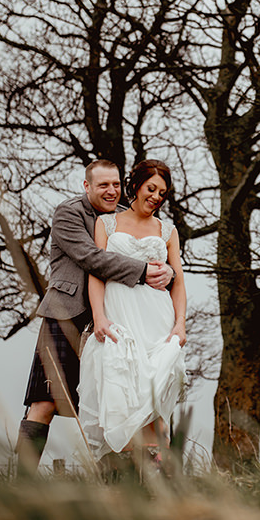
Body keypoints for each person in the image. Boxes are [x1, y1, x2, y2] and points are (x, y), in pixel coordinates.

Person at [15, 159, 173, 473]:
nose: (111, 191)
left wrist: (166, 268)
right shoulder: (69, 213)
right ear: (86, 186)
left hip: (113, 321)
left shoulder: (122, 217)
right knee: (44, 403)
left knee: (114, 406)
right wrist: (144, 271)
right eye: (103, 185)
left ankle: (120, 485)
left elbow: (153, 250)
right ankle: (23, 483)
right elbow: (92, 259)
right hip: (67, 316)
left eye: (116, 184)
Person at [77, 159, 187, 464]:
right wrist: (99, 316)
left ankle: (157, 466)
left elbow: (178, 282)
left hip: (157, 318)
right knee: (122, 383)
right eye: (151, 188)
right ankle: (124, 466)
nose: (156, 196)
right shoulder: (107, 224)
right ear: (136, 186)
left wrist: (180, 325)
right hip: (120, 315)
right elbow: (96, 273)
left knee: (153, 387)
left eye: (162, 193)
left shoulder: (167, 231)